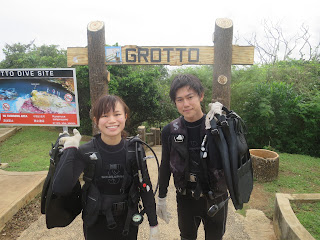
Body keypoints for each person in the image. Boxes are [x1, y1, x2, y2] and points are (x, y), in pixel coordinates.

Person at [52, 94, 159, 240]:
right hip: (96, 222)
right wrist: (70, 149)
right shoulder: (86, 151)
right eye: (105, 115)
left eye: (117, 114)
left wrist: (154, 224)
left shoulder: (134, 150)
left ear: (125, 117)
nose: (112, 120)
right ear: (96, 121)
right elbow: (60, 188)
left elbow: (145, 186)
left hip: (127, 222)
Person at [156, 74, 229, 240]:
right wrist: (161, 197)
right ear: (175, 102)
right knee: (187, 236)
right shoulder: (170, 130)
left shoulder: (217, 126)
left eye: (190, 97)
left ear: (201, 95)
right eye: (180, 99)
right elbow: (165, 165)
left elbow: (234, 159)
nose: (186, 104)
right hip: (186, 197)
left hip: (216, 196)